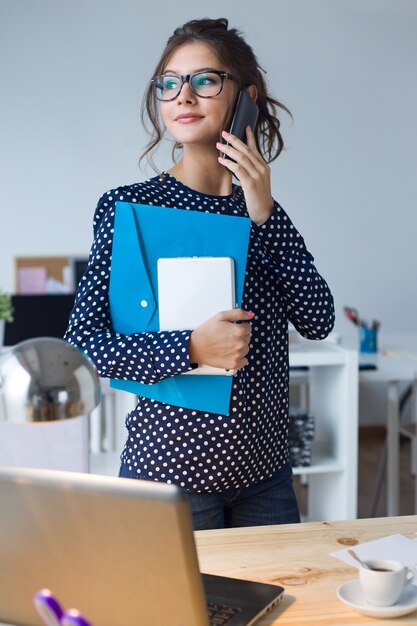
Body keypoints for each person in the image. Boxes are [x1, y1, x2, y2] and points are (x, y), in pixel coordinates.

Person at [65, 17, 335, 530]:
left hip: (266, 479)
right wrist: (190, 347)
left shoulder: (264, 214)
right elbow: (84, 346)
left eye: (204, 80)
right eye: (169, 83)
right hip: (169, 479)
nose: (183, 96)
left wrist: (264, 212)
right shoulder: (130, 208)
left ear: (245, 98)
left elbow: (318, 319)